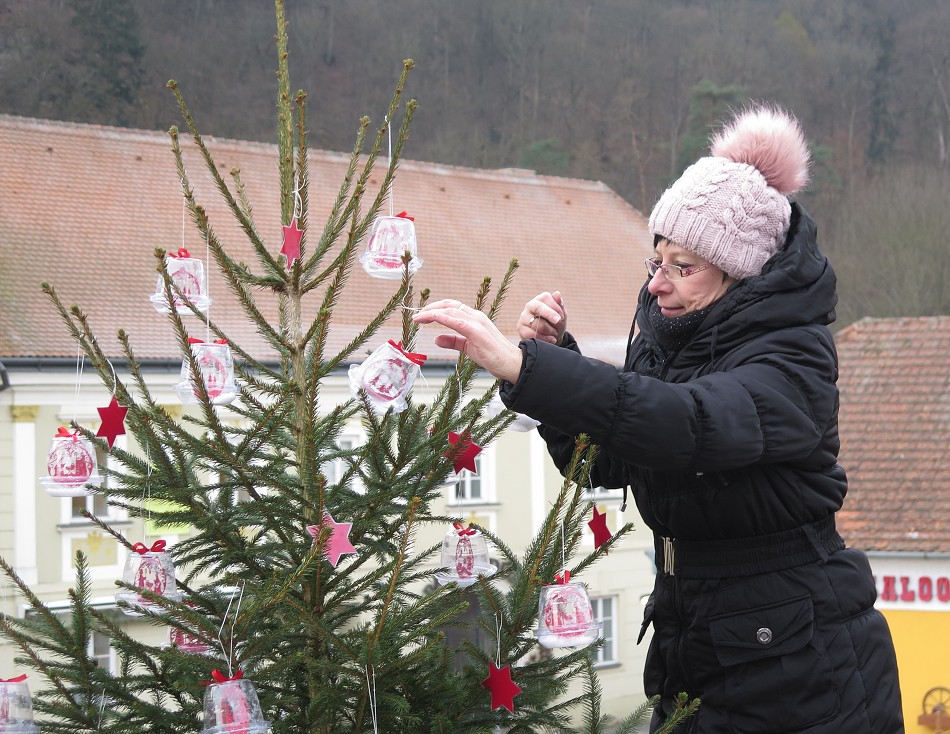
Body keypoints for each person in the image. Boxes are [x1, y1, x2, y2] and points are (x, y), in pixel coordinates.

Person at [412, 105, 903, 733]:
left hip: (800, 659)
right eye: (656, 260)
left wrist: (525, 367)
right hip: (698, 633)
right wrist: (557, 364)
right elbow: (611, 457)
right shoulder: (674, 339)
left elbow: (685, 426)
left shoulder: (793, 358)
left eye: (683, 266)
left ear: (737, 275)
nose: (657, 284)